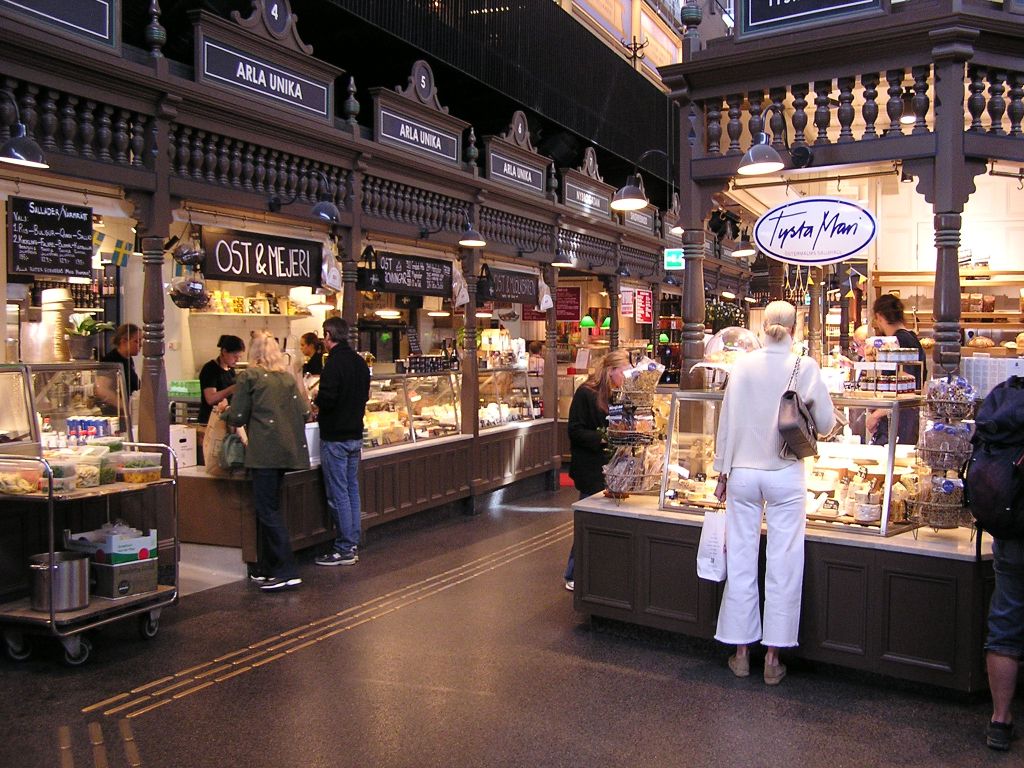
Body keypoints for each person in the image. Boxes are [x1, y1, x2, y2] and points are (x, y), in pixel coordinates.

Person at [712, 301, 835, 685]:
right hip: (784, 472)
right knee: (784, 564)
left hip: (743, 474)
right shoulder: (804, 366)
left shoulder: (743, 365)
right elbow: (826, 424)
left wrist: (721, 472)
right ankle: (772, 658)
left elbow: (726, 423)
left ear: (762, 327)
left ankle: (740, 654)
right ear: (795, 328)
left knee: (741, 561)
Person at [225, 331, 310, 592]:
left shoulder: (249, 376)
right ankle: (268, 568)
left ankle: (286, 570)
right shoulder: (286, 378)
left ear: (254, 352)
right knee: (270, 508)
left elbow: (238, 416)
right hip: (287, 451)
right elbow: (305, 412)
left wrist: (225, 412)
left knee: (266, 510)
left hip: (263, 452)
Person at [564, 348, 631, 591]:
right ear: (611, 371)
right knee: (587, 520)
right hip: (590, 468)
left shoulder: (617, 394)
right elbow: (575, 430)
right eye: (623, 372)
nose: (626, 377)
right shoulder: (586, 393)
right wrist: (603, 438)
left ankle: (599, 571)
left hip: (612, 467)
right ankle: (573, 573)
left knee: (604, 522)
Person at [315, 316, 371, 567]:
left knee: (338, 492)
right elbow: (365, 395)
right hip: (355, 435)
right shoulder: (359, 362)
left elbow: (327, 399)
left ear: (328, 336)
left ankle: (345, 547)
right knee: (351, 489)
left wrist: (316, 400)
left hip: (335, 436)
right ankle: (353, 541)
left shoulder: (333, 364)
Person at [864, 294, 925, 446]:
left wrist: (876, 415)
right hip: (904, 418)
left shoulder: (899, 341)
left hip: (900, 421)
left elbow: (906, 389)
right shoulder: (910, 339)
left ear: (879, 317)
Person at [198, 335, 245, 426]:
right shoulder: (210, 369)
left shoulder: (230, 369)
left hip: (225, 419)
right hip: (210, 421)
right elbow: (210, 399)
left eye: (240, 357)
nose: (237, 360)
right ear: (224, 352)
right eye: (235, 356)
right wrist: (232, 388)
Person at [101, 323, 141, 395]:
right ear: (124, 341)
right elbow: (102, 390)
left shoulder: (129, 360)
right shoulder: (110, 360)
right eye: (137, 341)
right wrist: (121, 402)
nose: (141, 345)